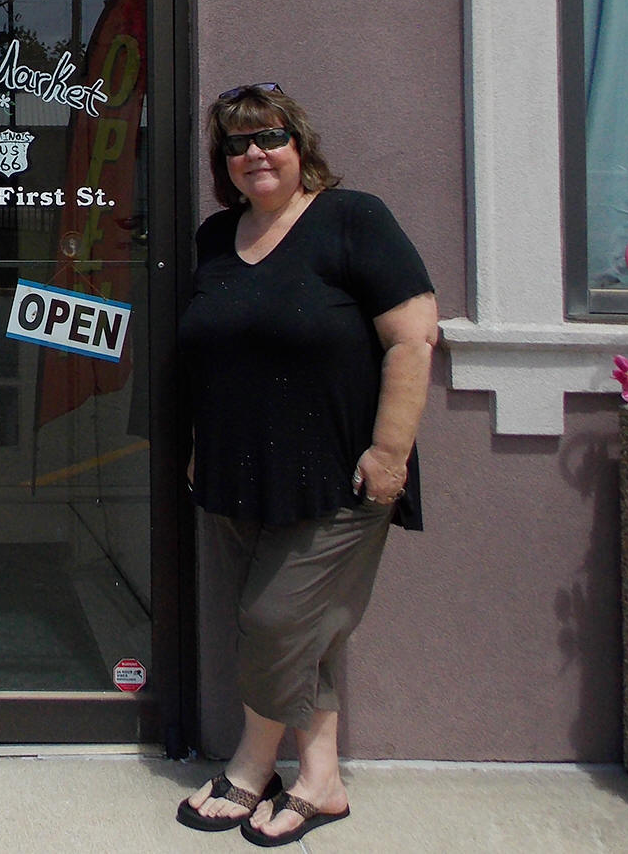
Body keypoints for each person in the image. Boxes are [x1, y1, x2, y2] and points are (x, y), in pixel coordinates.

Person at [174, 83, 438, 848]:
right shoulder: (217, 237)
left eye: (270, 137)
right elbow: (210, 352)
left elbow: (413, 338)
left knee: (273, 620)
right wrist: (198, 442)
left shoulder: (353, 220)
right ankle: (322, 781)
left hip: (339, 477)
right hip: (238, 475)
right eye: (236, 143)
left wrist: (389, 452)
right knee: (303, 633)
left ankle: (251, 765)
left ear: (300, 145)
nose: (254, 153)